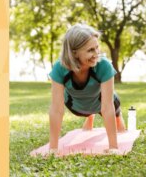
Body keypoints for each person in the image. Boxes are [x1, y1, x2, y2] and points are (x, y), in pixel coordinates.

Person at [48, 24, 126, 154]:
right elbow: (56, 109)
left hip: (100, 101)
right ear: (74, 53)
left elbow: (107, 107)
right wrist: (53, 149)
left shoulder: (104, 65)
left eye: (97, 48)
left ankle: (110, 116)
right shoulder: (59, 68)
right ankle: (90, 116)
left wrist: (113, 147)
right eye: (90, 50)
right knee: (86, 110)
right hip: (77, 105)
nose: (96, 54)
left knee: (119, 121)